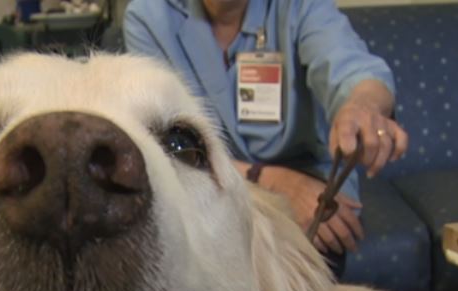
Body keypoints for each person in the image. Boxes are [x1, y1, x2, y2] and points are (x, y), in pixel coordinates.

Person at [123, 0, 407, 256]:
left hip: (307, 176)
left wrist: (362, 106)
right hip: (204, 182)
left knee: (304, 262)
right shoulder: (149, 16)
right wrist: (275, 183)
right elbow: (165, 146)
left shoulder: (301, 6)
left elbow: (350, 67)